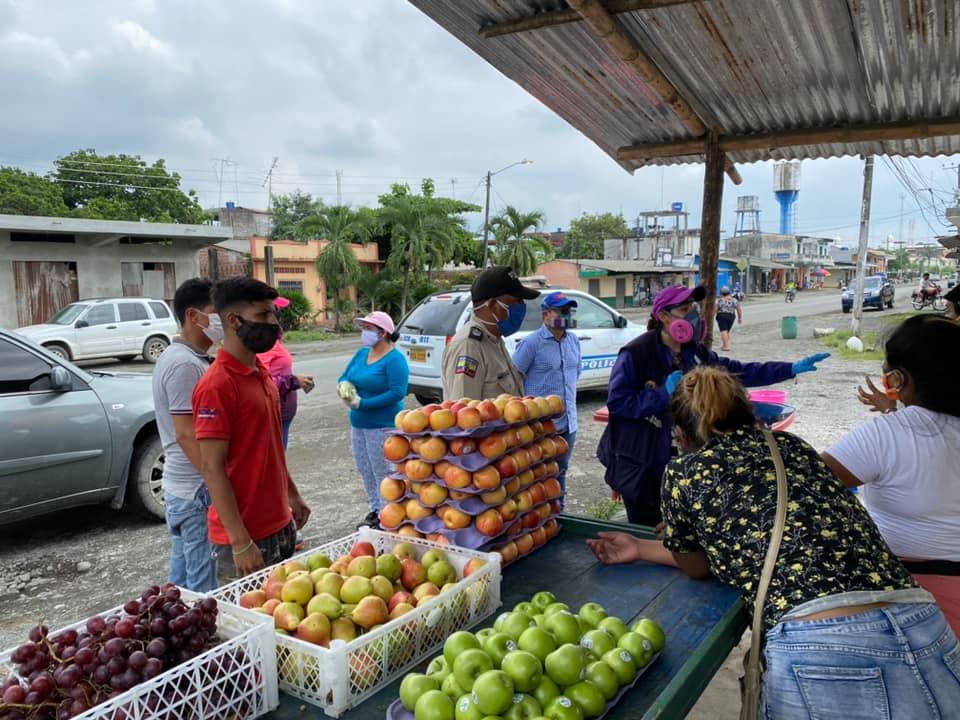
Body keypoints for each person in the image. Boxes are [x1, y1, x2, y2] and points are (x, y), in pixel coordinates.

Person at [588, 366, 960, 719]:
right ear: (748, 413)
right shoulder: (791, 446)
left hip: (823, 644)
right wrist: (641, 547)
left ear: (682, 435)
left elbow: (697, 566)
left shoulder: (684, 473)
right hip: (921, 619)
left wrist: (673, 539)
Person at [598, 284, 828, 526]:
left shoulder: (695, 352)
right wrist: (661, 394)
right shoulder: (636, 353)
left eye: (693, 308)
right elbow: (618, 403)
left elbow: (736, 372)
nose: (693, 315)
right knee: (648, 529)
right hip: (644, 463)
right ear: (664, 317)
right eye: (685, 309)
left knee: (680, 528)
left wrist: (789, 369)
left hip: (684, 457)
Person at [823, 315, 960, 634]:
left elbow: (805, 483)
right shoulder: (898, 429)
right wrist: (894, 411)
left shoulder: (886, 434)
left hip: (910, 602)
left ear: (897, 379)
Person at [193, 277, 311, 583]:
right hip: (247, 537)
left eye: (273, 313)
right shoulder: (217, 386)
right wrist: (240, 541)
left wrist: (293, 495)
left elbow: (270, 447)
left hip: (280, 523)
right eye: (263, 314)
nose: (273, 323)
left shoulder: (262, 372)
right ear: (234, 320)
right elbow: (212, 468)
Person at [152, 278, 219, 592]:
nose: (223, 321)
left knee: (179, 589)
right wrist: (217, 482)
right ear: (194, 316)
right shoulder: (184, 364)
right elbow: (186, 434)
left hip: (185, 489)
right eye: (216, 312)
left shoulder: (188, 359)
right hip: (195, 491)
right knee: (203, 589)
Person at [338, 311, 409, 527]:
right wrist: (344, 387)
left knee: (384, 472)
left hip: (382, 425)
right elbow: (345, 376)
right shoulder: (362, 354)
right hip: (359, 423)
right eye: (364, 328)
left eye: (369, 329)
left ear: (383, 332)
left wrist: (364, 404)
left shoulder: (395, 359)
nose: (364, 333)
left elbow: (397, 392)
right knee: (365, 469)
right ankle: (377, 509)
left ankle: (389, 514)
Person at [513, 291, 581, 505]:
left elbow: (575, 374)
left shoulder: (573, 341)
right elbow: (515, 379)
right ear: (546, 315)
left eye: (569, 311)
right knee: (537, 478)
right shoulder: (531, 343)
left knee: (560, 473)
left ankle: (558, 514)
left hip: (568, 424)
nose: (567, 316)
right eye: (561, 311)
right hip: (541, 427)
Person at [441, 266, 539, 400]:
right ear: (493, 306)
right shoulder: (469, 347)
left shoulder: (495, 340)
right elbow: (464, 409)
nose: (522, 306)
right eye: (518, 301)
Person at [257, 296, 314, 449]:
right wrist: (293, 381)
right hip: (275, 413)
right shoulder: (266, 344)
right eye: (277, 312)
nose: (279, 317)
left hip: (282, 413)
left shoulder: (273, 339)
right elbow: (261, 381)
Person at [715, 286, 742, 352]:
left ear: (721, 293)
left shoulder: (719, 300)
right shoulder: (734, 300)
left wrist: (713, 316)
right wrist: (739, 318)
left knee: (723, 331)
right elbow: (739, 309)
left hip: (722, 316)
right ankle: (724, 345)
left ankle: (726, 347)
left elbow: (715, 309)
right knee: (726, 331)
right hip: (731, 316)